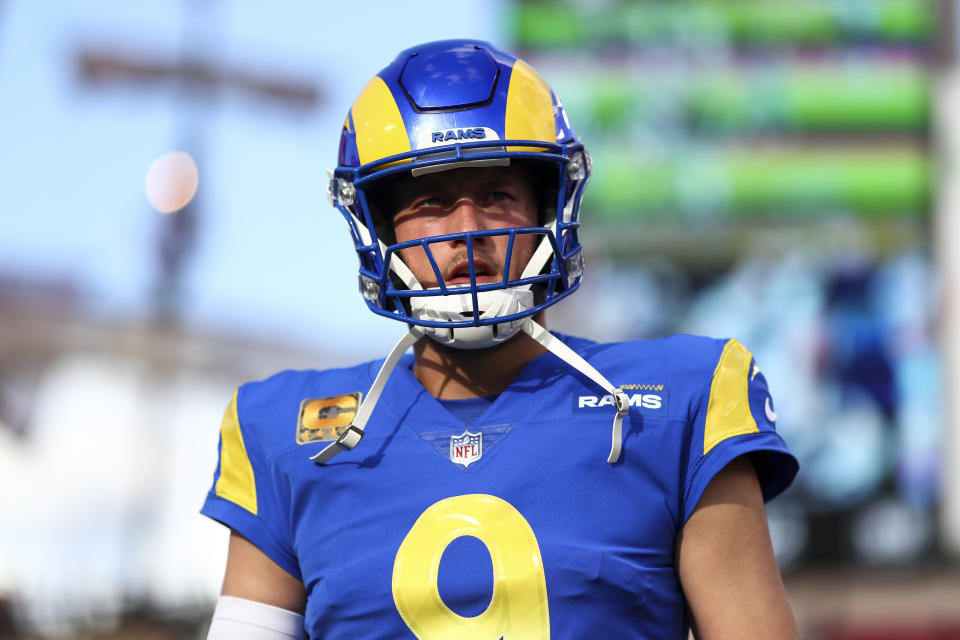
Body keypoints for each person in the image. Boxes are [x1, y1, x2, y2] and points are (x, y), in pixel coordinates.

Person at [202, 39, 800, 639]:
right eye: (432, 201)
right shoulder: (282, 430)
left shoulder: (683, 399)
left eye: (497, 196)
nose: (468, 232)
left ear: (549, 207)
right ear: (380, 227)